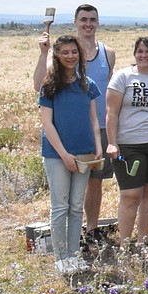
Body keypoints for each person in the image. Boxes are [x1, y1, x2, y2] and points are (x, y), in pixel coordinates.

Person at [34, 4, 116, 239]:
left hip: (98, 127)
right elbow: (40, 85)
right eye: (83, 19)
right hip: (68, 130)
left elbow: (105, 90)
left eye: (92, 19)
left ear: (98, 22)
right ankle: (70, 238)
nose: (88, 24)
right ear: (75, 21)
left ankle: (90, 230)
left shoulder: (107, 53)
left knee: (95, 182)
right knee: (67, 192)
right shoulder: (60, 52)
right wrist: (42, 54)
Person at [38, 35, 101, 274]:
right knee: (60, 206)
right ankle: (60, 258)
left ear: (79, 54)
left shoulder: (88, 84)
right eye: (64, 52)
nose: (70, 56)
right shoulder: (50, 86)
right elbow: (47, 123)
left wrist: (97, 146)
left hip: (85, 153)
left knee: (76, 206)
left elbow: (94, 120)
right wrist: (63, 154)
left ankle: (73, 255)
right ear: (57, 55)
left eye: (73, 52)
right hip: (57, 155)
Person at [106, 36, 148, 243]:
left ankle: (143, 239)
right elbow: (111, 112)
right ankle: (125, 242)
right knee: (130, 194)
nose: (144, 56)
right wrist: (111, 142)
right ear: (135, 54)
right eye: (140, 51)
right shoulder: (123, 77)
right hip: (129, 145)